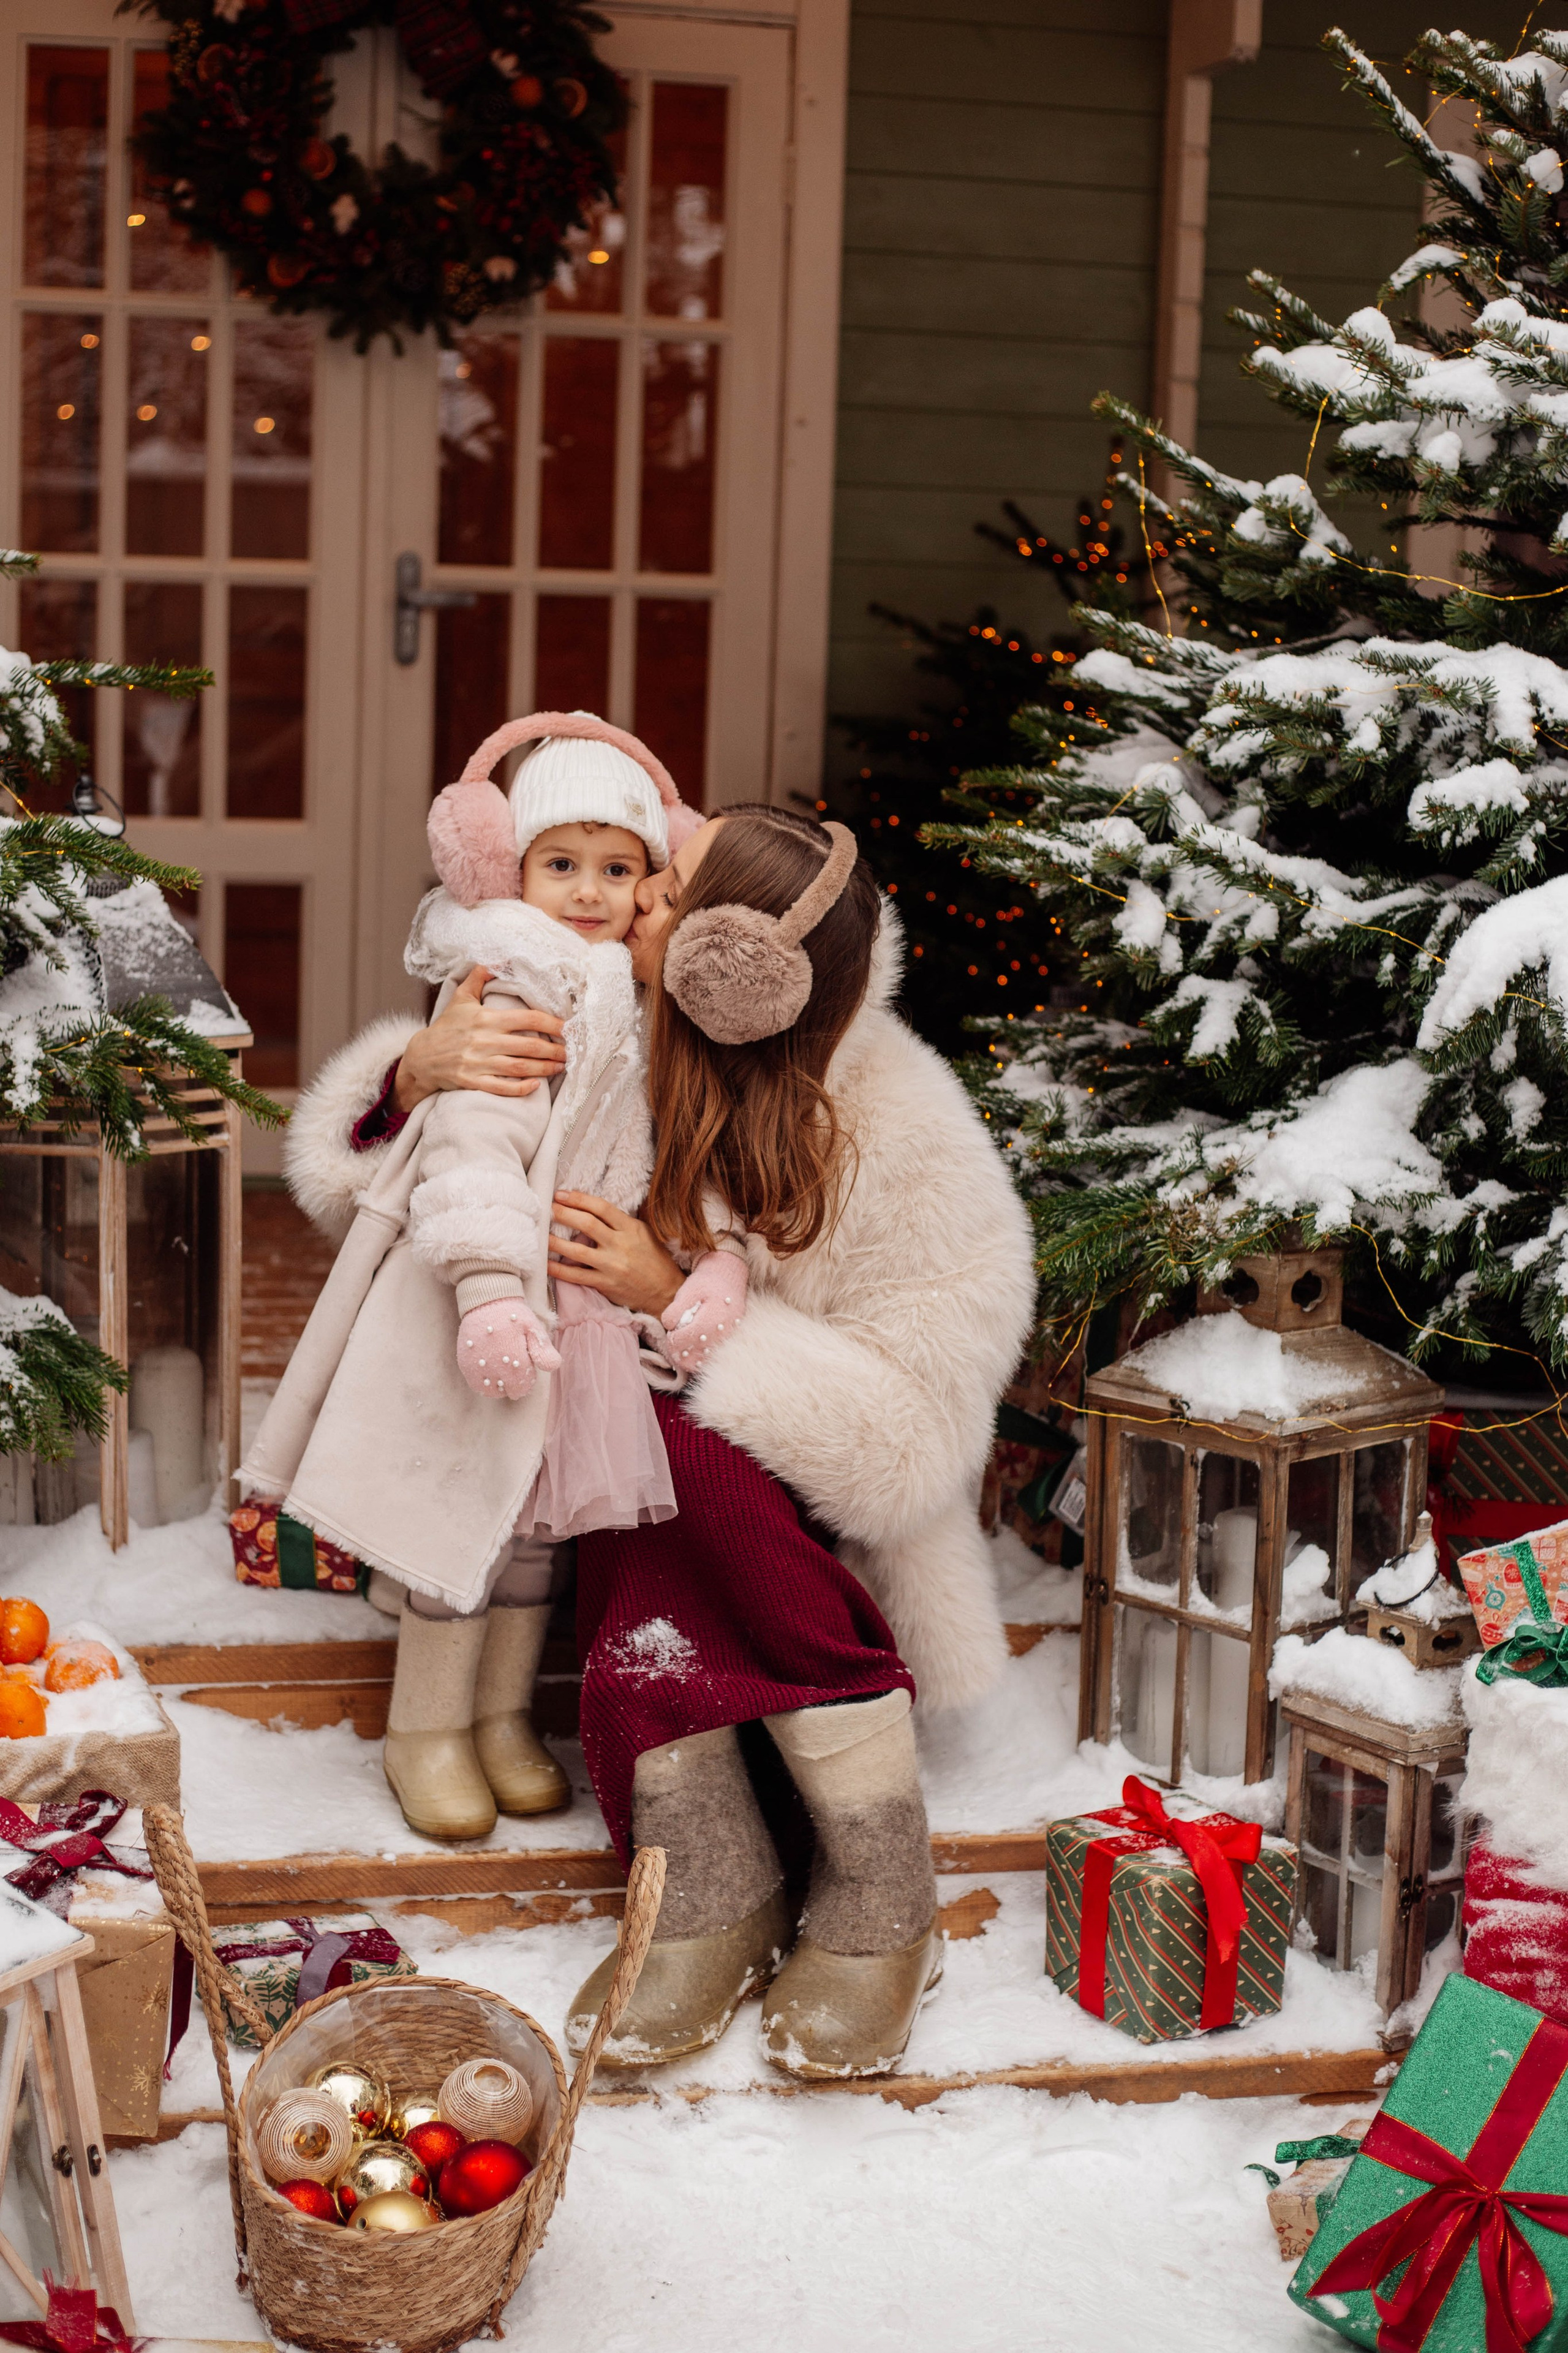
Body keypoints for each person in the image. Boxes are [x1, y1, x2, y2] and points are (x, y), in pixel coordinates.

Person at [283, 797, 1035, 2079]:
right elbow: (376, 1184)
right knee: (629, 1452)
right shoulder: (608, 1018)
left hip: (838, 1464)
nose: (630, 899)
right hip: (659, 1425)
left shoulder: (889, 1117)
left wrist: (668, 1306)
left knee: (677, 1448)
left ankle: (879, 1880)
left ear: (736, 963)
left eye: (667, 890)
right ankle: (705, 1876)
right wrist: (415, 1073)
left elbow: (913, 1427)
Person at [243, 714, 732, 1843]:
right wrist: (488, 1291)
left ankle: (504, 1718)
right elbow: (471, 1148)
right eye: (561, 863)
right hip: (493, 1294)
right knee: (463, 1510)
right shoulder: (519, 988)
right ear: (504, 865)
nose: (590, 891)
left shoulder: (644, 998)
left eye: (619, 869)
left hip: (587, 1312)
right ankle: (425, 1728)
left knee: (537, 1528)